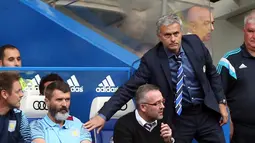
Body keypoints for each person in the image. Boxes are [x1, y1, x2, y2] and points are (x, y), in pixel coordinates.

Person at [85, 13, 228, 143]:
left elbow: (212, 73)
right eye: (167, 35)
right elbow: (129, 88)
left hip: (205, 112)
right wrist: (103, 115)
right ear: (159, 36)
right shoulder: (151, 59)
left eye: (176, 34)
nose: (173, 39)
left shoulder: (195, 43)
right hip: (177, 118)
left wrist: (221, 102)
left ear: (181, 33)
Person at [217, 9, 255, 143]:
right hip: (240, 133)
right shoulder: (229, 61)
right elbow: (217, 94)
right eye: (251, 31)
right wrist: (228, 122)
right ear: (244, 31)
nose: (254, 36)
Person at [0, 71, 31, 143]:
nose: (22, 95)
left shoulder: (20, 116)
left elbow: (27, 141)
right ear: (4, 94)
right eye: (18, 91)